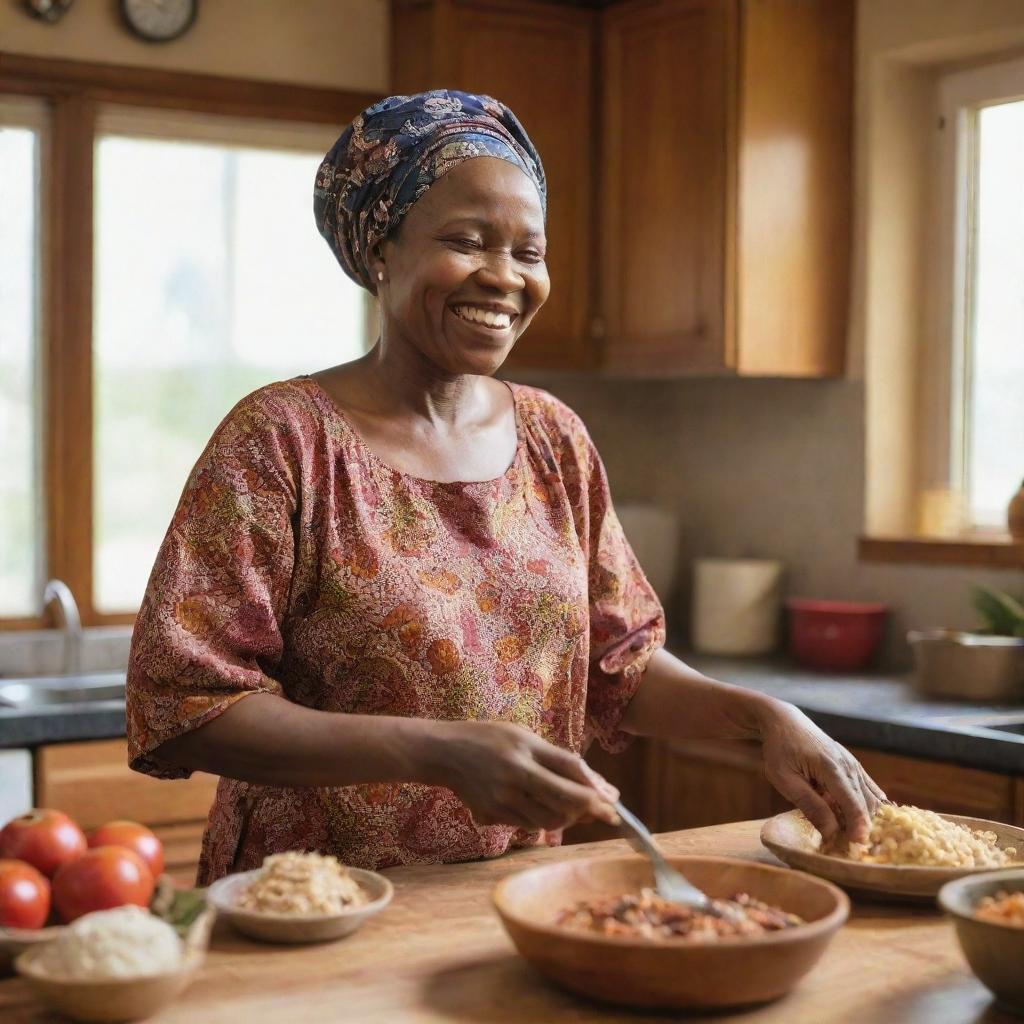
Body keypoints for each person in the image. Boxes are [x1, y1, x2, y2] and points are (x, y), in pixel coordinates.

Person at [126, 91, 883, 885]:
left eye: (529, 251)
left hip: (512, 896)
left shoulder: (554, 438)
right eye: (468, 241)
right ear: (380, 249)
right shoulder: (283, 439)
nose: (504, 277)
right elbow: (185, 703)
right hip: (314, 908)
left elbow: (618, 664)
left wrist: (764, 718)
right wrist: (440, 751)